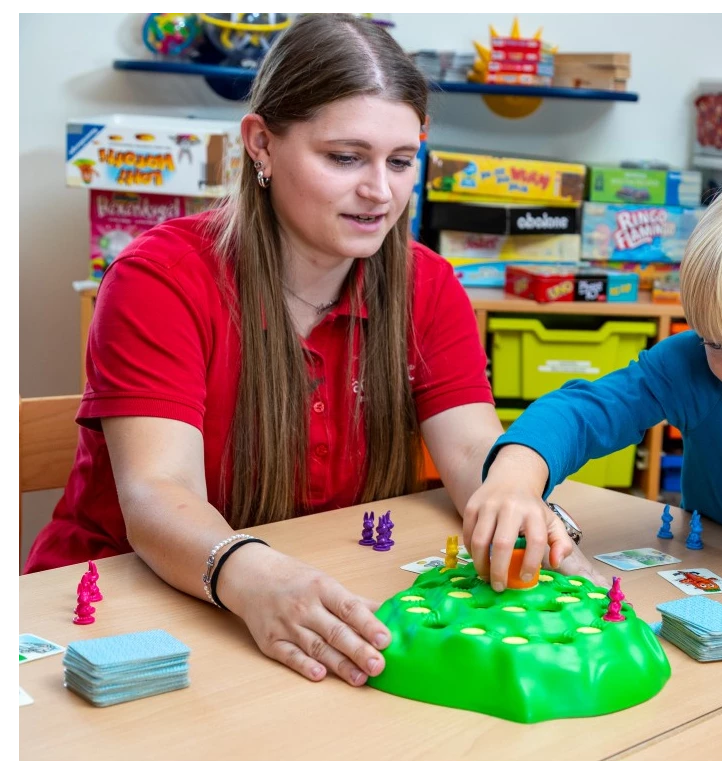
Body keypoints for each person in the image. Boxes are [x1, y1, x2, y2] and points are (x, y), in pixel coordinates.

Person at [24, 13, 506, 687]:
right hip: (123, 607)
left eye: (400, 161)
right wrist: (255, 577)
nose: (380, 191)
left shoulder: (427, 283)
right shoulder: (157, 278)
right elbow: (160, 492)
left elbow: (471, 453)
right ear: (261, 145)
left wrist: (527, 515)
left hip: (300, 598)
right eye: (345, 157)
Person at [463, 163, 722, 591]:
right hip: (703, 579)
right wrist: (515, 476)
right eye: (716, 342)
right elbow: (583, 412)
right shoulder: (691, 365)